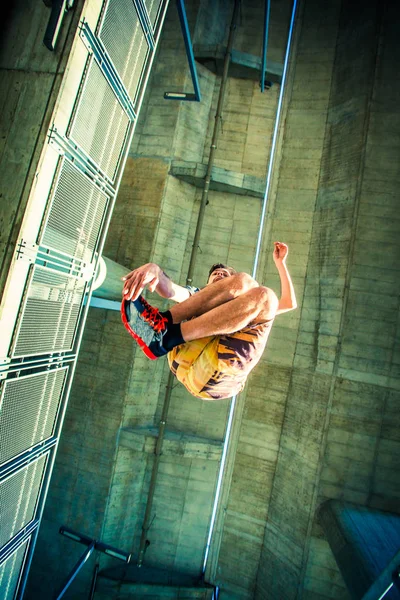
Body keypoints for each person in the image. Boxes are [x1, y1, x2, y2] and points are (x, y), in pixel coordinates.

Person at [121, 242, 297, 400]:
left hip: (218, 376)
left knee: (264, 295)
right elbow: (170, 291)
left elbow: (288, 303)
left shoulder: (249, 301)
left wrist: (280, 264)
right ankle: (163, 330)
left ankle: (167, 334)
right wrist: (155, 270)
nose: (220, 274)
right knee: (245, 283)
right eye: (215, 274)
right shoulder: (197, 296)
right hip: (183, 359)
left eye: (225, 274)